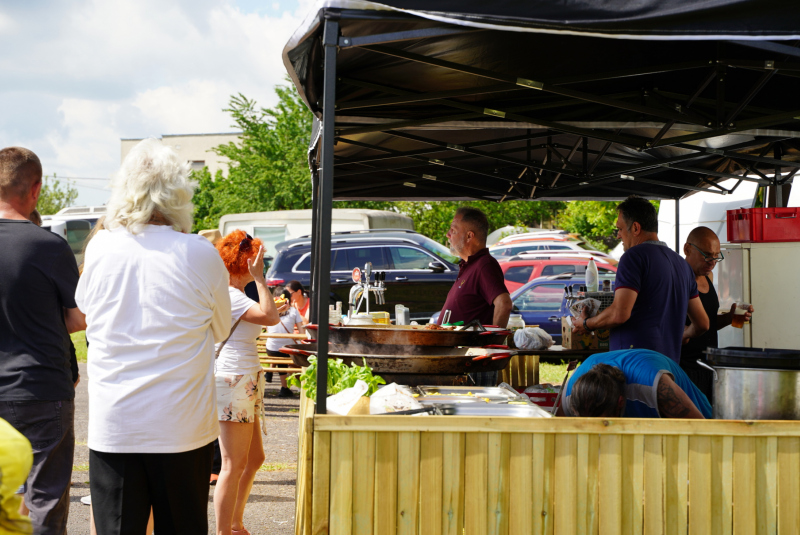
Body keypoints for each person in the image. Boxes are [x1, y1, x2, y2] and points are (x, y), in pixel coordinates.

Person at [75, 139, 232, 535]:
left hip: (117, 424)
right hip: (183, 425)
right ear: (179, 193)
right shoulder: (199, 253)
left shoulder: (101, 249)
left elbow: (88, 315)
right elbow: (222, 329)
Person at [0, 146, 85, 535]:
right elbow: (76, 319)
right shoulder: (49, 246)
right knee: (45, 502)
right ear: (34, 189)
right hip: (40, 389)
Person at [572, 196, 709, 363]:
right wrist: (684, 334)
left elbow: (619, 314)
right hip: (670, 367)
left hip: (635, 366)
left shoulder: (633, 257)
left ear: (636, 228)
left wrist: (586, 324)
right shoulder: (682, 264)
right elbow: (702, 324)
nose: (618, 236)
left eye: (620, 229)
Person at [213, 230, 284, 535]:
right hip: (234, 379)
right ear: (244, 261)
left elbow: (267, 315)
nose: (262, 262)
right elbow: (269, 317)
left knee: (254, 458)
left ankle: (234, 523)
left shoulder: (235, 295)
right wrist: (260, 278)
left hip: (245, 379)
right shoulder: (230, 294)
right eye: (258, 257)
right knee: (231, 464)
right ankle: (224, 530)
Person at [680, 226, 753, 400]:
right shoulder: (678, 279)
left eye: (716, 256)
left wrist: (729, 318)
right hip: (686, 367)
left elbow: (708, 323)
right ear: (687, 249)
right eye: (706, 255)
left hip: (710, 365)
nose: (712, 261)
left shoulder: (708, 277)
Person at [560, 349, 712, 418]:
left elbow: (701, 435)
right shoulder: (570, 395)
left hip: (700, 420)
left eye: (604, 424)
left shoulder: (658, 387)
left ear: (620, 403)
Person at [438, 207, 512, 327]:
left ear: (469, 236)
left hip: (470, 345)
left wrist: (493, 341)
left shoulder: (485, 265)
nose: (448, 235)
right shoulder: (470, 264)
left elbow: (504, 303)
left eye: (453, 230)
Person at [265, 287, 305, 398]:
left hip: (271, 350)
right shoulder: (293, 311)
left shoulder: (270, 312)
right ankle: (284, 388)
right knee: (285, 348)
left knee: (277, 347)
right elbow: (302, 333)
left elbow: (269, 330)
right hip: (286, 350)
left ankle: (272, 374)